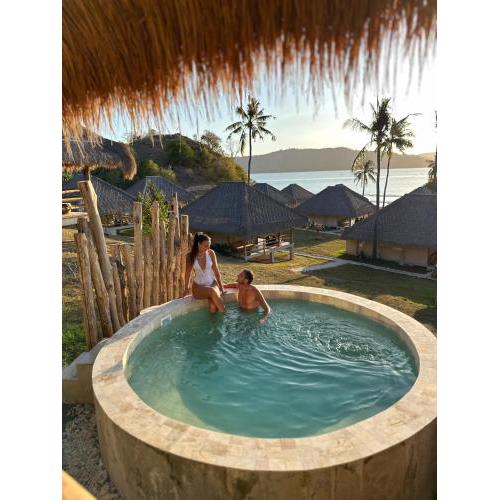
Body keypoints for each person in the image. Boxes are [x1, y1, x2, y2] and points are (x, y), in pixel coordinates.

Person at [184, 233, 225, 313]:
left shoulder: (211, 253)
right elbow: (187, 273)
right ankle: (225, 316)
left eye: (209, 245)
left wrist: (221, 287)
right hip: (198, 287)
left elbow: (216, 272)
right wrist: (186, 288)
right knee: (212, 291)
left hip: (212, 283)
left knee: (213, 306)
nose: (208, 248)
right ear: (198, 244)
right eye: (206, 246)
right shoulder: (190, 256)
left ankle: (215, 320)